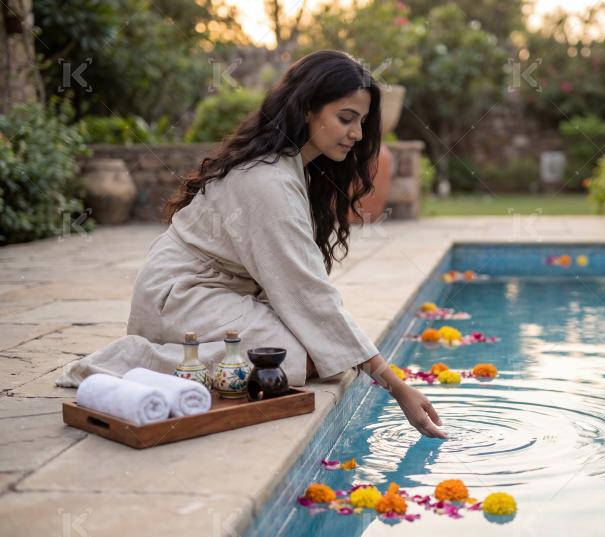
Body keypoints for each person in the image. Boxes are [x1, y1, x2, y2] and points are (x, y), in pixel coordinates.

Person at [57, 50, 446, 439]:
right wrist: (396, 385)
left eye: (361, 121)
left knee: (320, 350)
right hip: (181, 297)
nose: (358, 134)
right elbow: (308, 293)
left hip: (215, 293)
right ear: (308, 108)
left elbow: (302, 292)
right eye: (346, 118)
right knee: (302, 356)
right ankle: (134, 359)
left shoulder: (296, 168)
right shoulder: (269, 182)